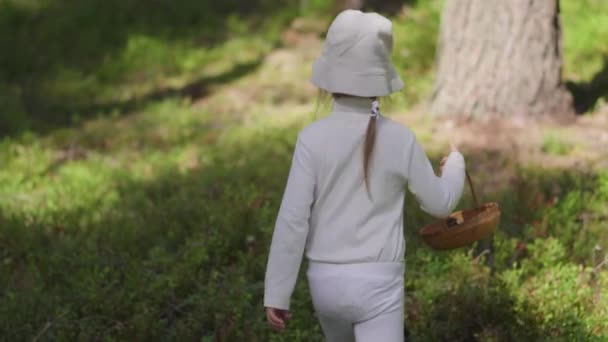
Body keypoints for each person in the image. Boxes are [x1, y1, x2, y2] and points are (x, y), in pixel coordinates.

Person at [263, 9, 465, 342]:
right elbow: (441, 204)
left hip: (325, 282)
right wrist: (455, 164)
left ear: (330, 79)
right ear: (380, 81)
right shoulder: (400, 138)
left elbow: (293, 219)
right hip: (378, 282)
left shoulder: (311, 138)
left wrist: (277, 293)